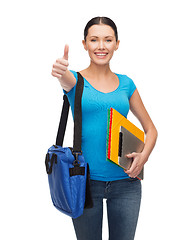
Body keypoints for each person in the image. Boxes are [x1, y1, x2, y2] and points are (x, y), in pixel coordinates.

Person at [51, 16, 158, 240]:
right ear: (85, 44)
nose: (101, 46)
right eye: (94, 40)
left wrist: (143, 157)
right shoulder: (76, 81)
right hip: (84, 182)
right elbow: (65, 79)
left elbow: (151, 129)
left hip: (127, 183)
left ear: (117, 44)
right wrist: (61, 71)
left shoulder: (127, 83)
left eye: (108, 40)